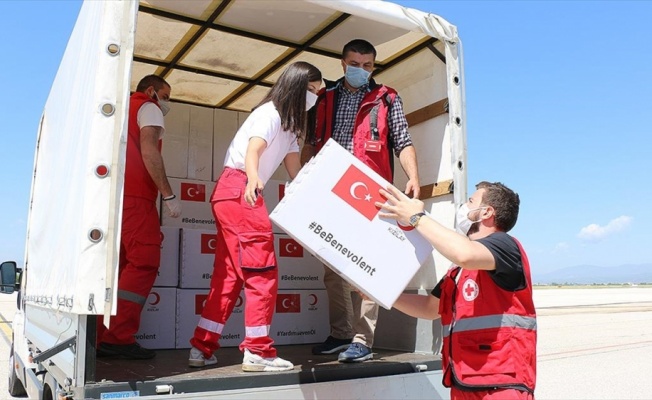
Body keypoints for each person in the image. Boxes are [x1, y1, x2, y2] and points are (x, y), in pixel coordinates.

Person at [188, 61, 323, 372]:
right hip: (240, 188)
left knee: (229, 277)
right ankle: (258, 351)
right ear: (296, 86)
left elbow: (294, 171)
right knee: (261, 271)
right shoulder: (271, 113)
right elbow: (254, 150)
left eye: (318, 92)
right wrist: (252, 179)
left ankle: (201, 347)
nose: (314, 97)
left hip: (231, 192)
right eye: (311, 90)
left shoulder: (290, 127)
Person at [301, 39, 421, 363]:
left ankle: (362, 339)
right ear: (343, 64)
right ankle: (340, 333)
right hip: (329, 186)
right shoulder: (324, 98)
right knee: (332, 266)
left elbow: (403, 141)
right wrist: (301, 177)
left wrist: (413, 176)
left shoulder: (387, 98)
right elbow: (311, 142)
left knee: (368, 266)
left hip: (370, 189)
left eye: (368, 65)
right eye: (356, 64)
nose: (362, 71)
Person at [377, 181, 537, 399]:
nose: (464, 205)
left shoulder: (505, 246)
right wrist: (384, 294)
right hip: (464, 382)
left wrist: (417, 218)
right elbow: (428, 308)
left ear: (487, 212)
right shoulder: (458, 271)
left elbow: (465, 254)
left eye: (471, 201)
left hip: (500, 385)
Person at [97, 75, 182, 359]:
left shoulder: (119, 112)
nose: (167, 102)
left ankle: (101, 335)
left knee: (119, 268)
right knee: (144, 261)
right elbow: (149, 150)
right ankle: (118, 338)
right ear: (151, 91)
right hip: (136, 198)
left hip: (114, 198)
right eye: (166, 95)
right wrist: (168, 195)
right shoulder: (148, 107)